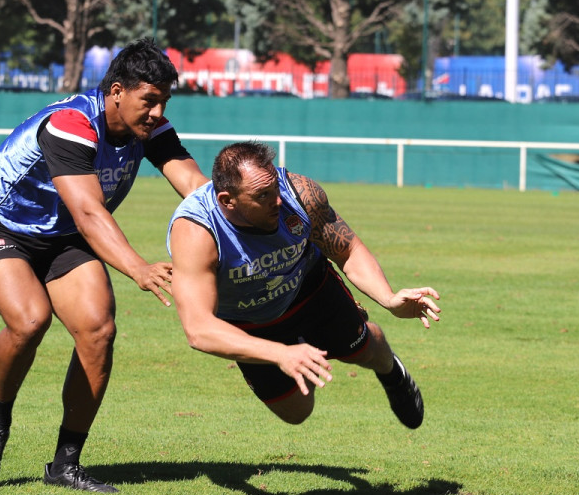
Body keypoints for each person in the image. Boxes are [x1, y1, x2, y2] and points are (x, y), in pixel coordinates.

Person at [0, 38, 207, 493]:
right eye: (148, 100)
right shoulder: (72, 124)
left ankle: (65, 464)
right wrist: (137, 267)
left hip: (63, 235)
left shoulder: (148, 130)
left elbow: (194, 184)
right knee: (30, 320)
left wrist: (235, 221)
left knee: (98, 330)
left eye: (163, 102)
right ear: (116, 91)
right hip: (0, 225)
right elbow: (91, 213)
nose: (156, 113)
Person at [166, 141, 440, 429]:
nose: (278, 201)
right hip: (248, 321)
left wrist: (388, 298)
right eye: (263, 195)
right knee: (297, 412)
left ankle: (392, 372)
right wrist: (280, 353)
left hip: (309, 291)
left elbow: (347, 250)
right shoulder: (196, 232)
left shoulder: (300, 194)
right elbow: (198, 329)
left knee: (364, 352)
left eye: (275, 188)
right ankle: (299, 345)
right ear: (227, 200)